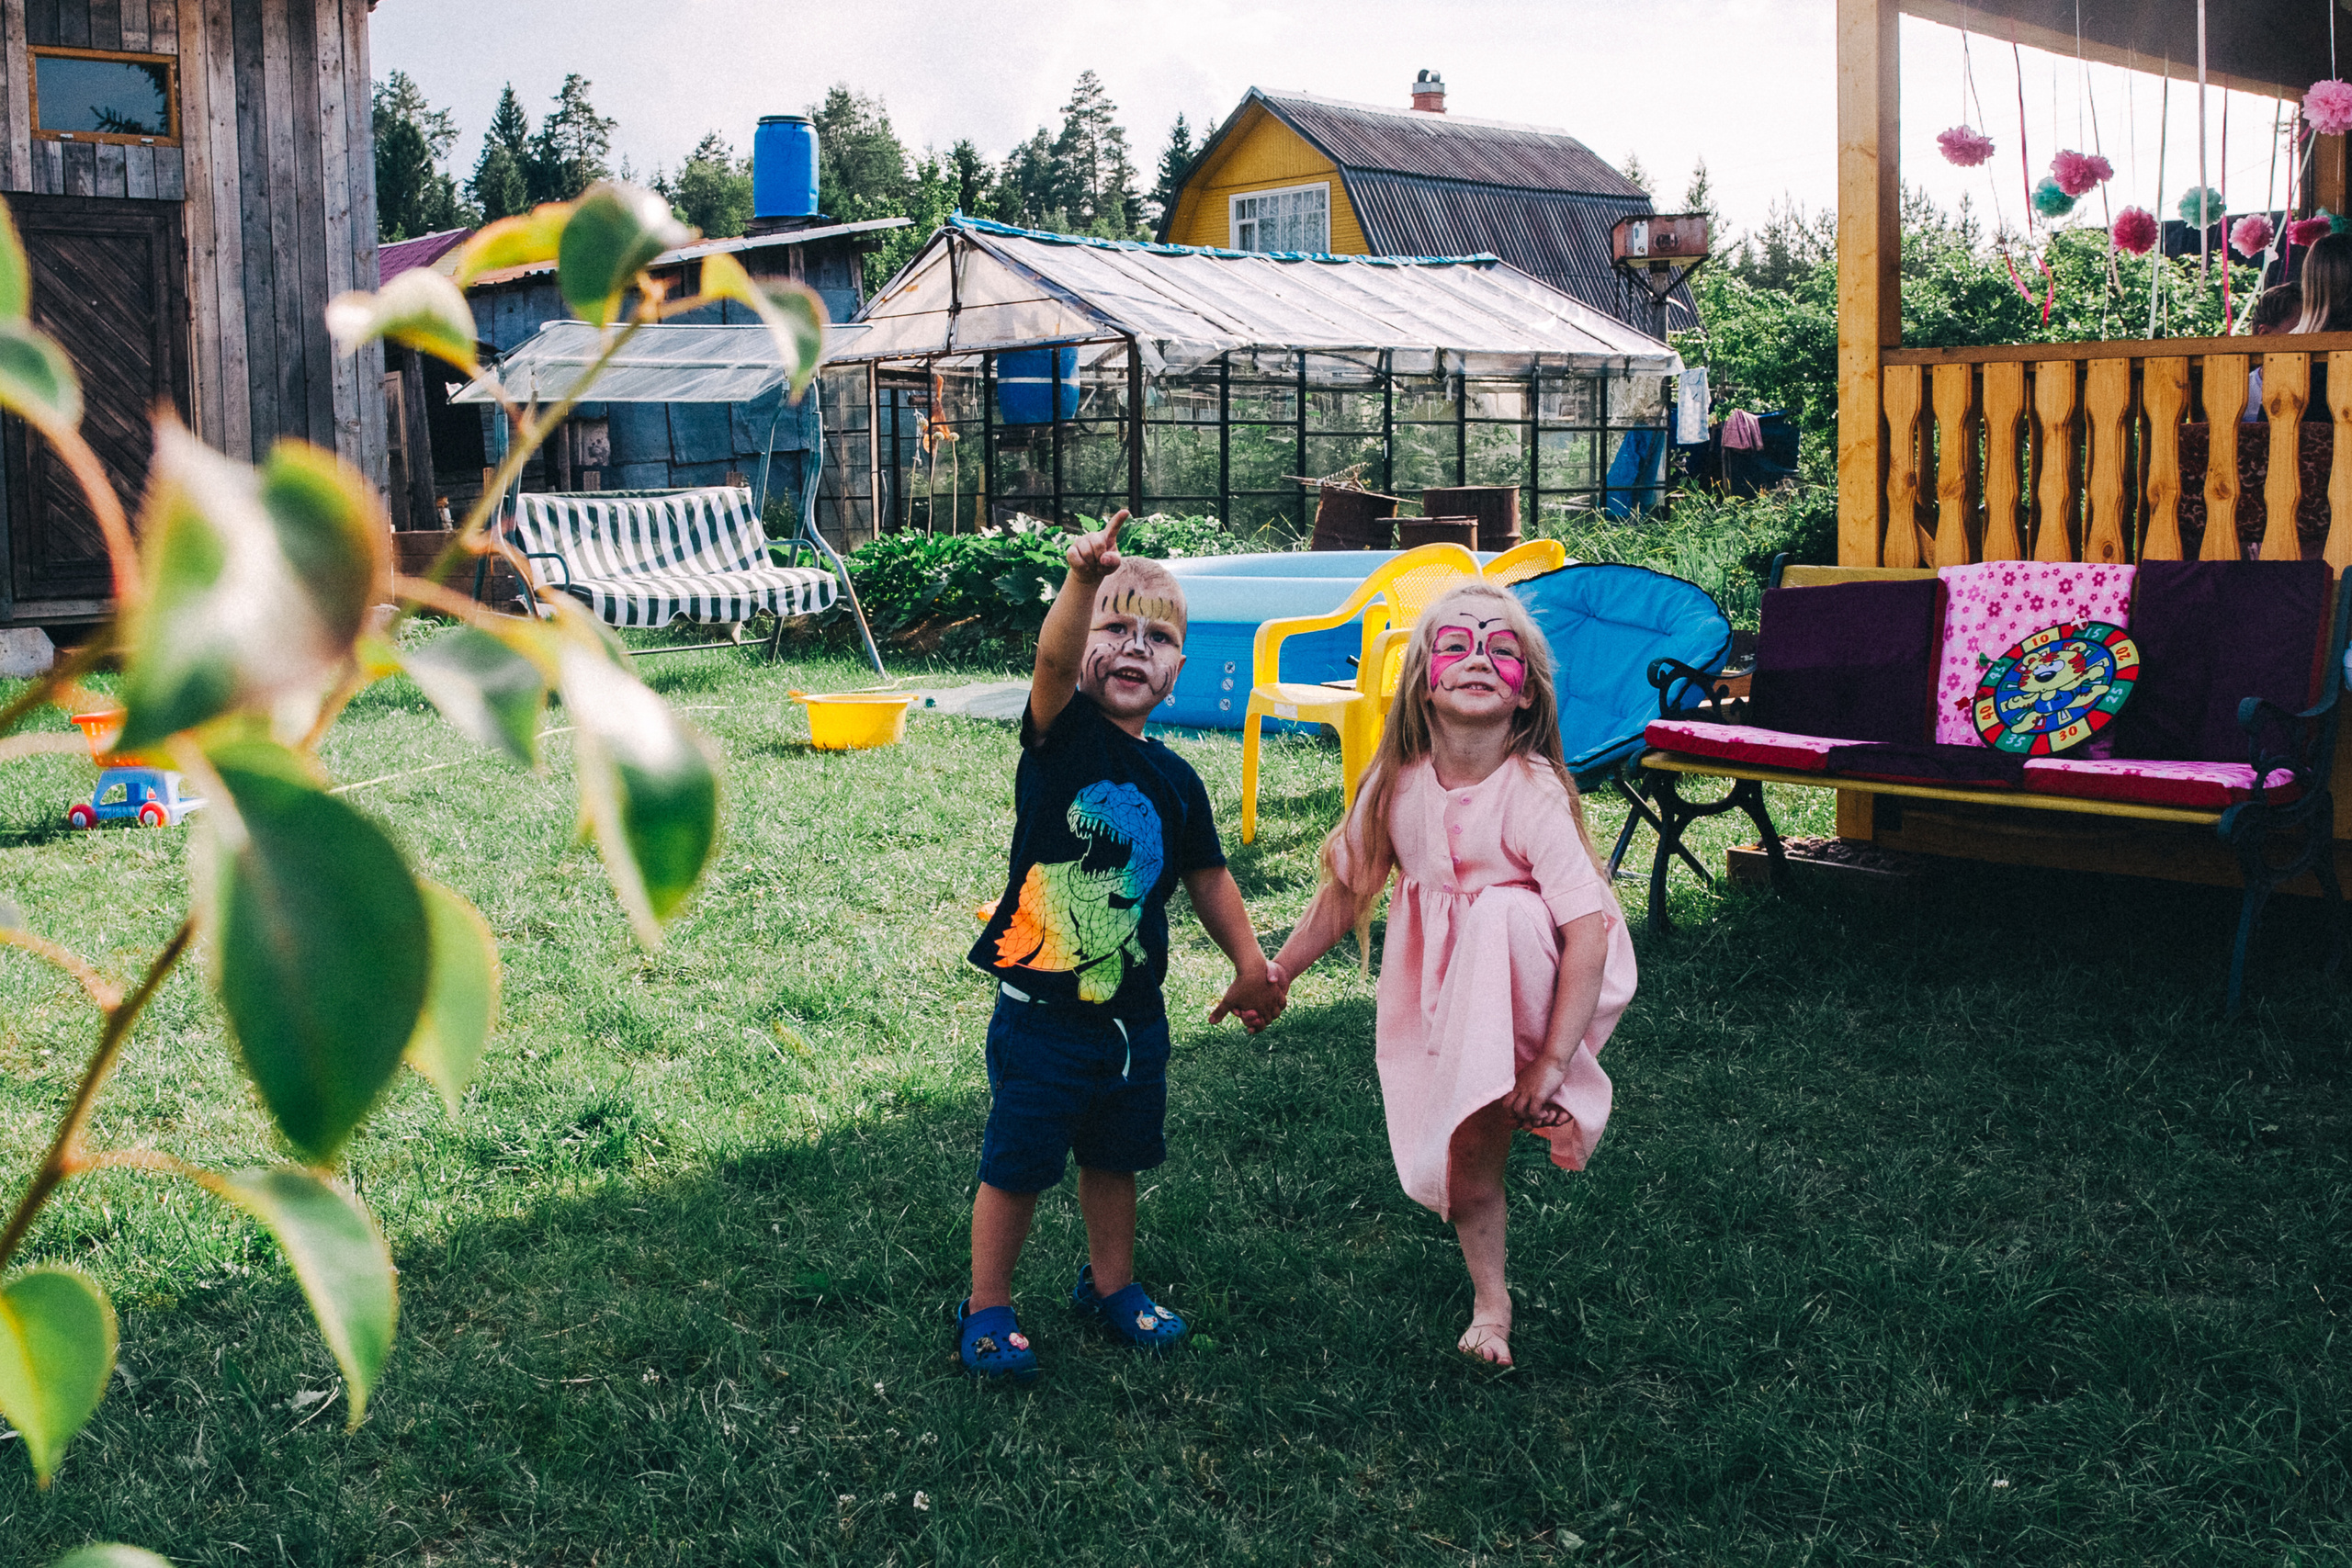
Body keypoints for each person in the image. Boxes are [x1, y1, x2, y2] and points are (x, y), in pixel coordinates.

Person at [1258, 581, 1637, 1368]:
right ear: (1423, 679)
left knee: (1501, 912)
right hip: (1446, 994)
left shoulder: (1531, 790)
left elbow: (1588, 934)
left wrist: (1553, 1060)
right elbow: (1348, 890)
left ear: (1525, 691)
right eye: (1456, 646)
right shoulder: (1396, 784)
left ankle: (1542, 1088)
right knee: (1467, 1160)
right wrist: (1281, 970)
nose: (1476, 658)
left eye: (1500, 649)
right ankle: (1490, 1303)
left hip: (1550, 972)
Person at [958, 510, 1283, 1382]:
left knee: (1117, 1155)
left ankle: (1111, 1284)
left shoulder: (1178, 781)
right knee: (1018, 1162)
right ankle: (987, 1301)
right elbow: (1054, 660)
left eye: (1157, 635)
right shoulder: (1059, 735)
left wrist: (1253, 964)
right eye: (1116, 624)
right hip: (1042, 1014)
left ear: (1177, 672)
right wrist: (1079, 582)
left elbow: (1209, 878)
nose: (1133, 645)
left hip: (1132, 1018)